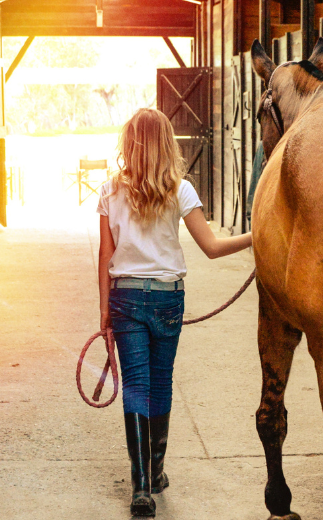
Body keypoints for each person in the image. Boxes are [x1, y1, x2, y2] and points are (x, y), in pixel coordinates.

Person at [97, 108, 252, 517]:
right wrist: (259, 235)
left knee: (135, 385)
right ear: (167, 143)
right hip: (167, 298)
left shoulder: (109, 191)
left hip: (125, 298)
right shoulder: (180, 190)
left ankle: (141, 487)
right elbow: (214, 248)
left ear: (130, 143)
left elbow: (104, 255)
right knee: (160, 383)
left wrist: (103, 312)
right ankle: (157, 470)